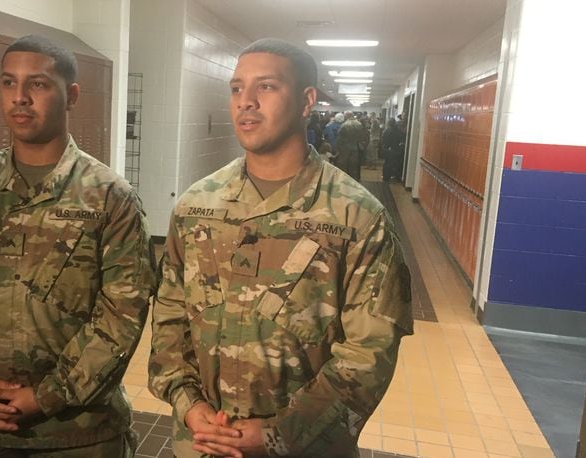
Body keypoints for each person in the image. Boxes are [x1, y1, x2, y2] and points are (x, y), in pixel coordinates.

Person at [149, 37, 413, 458]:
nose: (246, 102)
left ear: (307, 100)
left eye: (266, 87)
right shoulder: (198, 205)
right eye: (237, 89)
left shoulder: (356, 216)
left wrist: (279, 433)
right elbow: (169, 316)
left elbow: (369, 353)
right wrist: (189, 406)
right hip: (202, 442)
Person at [0, 34, 155, 457]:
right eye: (9, 83)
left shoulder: (108, 197)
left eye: (38, 84)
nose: (20, 97)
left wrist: (48, 394)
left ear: (71, 94)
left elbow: (124, 314)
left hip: (76, 433)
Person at [335, 110, 367, 181]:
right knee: (354, 166)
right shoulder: (359, 124)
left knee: (344, 166)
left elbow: (339, 139)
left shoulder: (344, 125)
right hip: (355, 148)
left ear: (346, 116)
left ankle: (345, 181)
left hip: (345, 149)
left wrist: (337, 150)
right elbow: (362, 137)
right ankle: (354, 181)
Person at [381, 118, 406, 182]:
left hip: (386, 149)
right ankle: (389, 177)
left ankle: (385, 176)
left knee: (386, 163)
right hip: (394, 149)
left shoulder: (386, 131)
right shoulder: (397, 131)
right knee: (392, 164)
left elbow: (383, 140)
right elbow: (400, 139)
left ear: (388, 123)